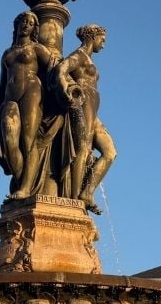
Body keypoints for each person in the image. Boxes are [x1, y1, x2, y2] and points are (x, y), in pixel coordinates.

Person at [0, 11, 59, 199]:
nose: (26, 25)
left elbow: (54, 70)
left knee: (28, 142)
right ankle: (23, 179)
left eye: (30, 23)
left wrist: (65, 87)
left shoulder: (38, 49)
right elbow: (1, 84)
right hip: (9, 98)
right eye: (23, 21)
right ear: (16, 25)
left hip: (31, 93)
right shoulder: (7, 53)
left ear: (34, 29)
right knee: (10, 139)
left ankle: (25, 188)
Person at [50, 23, 116, 214]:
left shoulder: (88, 59)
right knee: (83, 148)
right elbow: (60, 69)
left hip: (93, 110)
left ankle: (87, 192)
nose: (103, 44)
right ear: (92, 37)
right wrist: (66, 88)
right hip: (84, 103)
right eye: (102, 40)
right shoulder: (80, 55)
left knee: (110, 152)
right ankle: (74, 198)